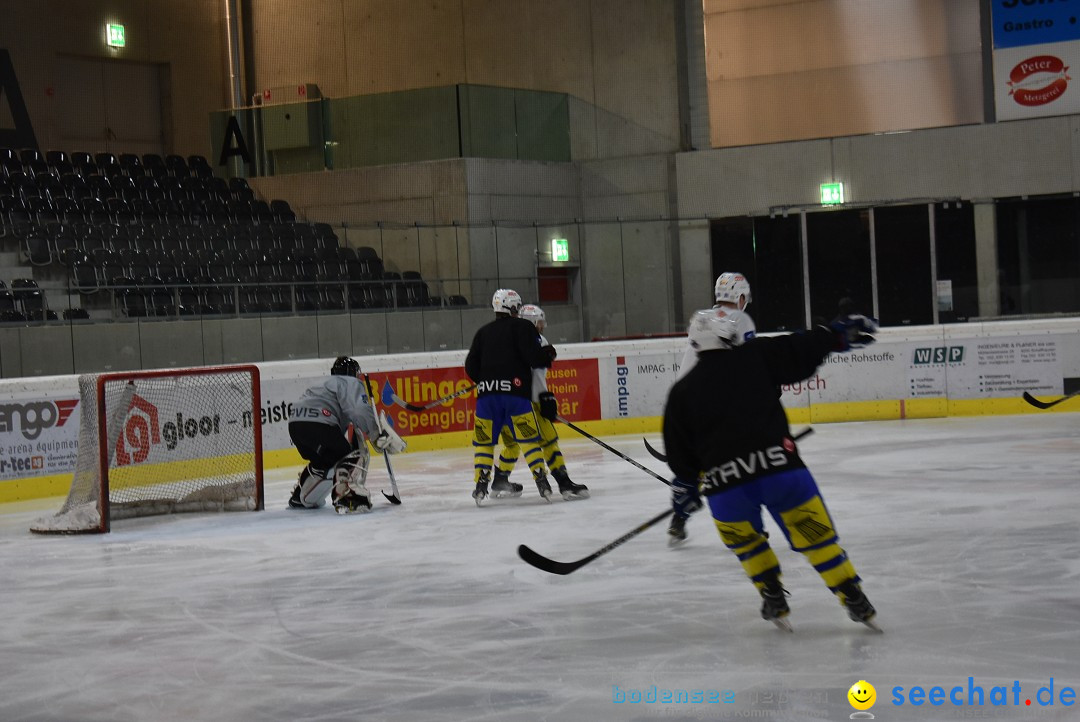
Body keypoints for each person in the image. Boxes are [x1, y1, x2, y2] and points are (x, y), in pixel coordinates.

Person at [662, 308, 879, 630]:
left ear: (694, 345)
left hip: (727, 489)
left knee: (747, 544)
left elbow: (681, 459)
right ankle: (852, 594)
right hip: (783, 472)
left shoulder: (681, 393)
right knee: (817, 539)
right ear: (730, 337)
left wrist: (686, 490)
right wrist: (834, 335)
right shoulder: (754, 356)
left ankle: (773, 596)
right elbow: (799, 348)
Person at [669, 272, 756, 544]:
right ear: (740, 297)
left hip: (688, 403)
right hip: (722, 407)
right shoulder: (739, 321)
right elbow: (752, 363)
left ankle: (679, 518)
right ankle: (750, 526)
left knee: (691, 470)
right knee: (743, 466)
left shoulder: (702, 318)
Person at [465, 289, 557, 504]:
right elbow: (534, 357)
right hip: (515, 396)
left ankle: (480, 486)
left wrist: (487, 382)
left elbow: (470, 366)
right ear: (514, 307)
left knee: (484, 444)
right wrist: (548, 353)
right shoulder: (523, 326)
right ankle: (542, 482)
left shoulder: (483, 332)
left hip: (486, 398)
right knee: (529, 440)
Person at [491, 304, 589, 500]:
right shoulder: (534, 340)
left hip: (502, 403)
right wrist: (544, 397)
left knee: (512, 444)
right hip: (528, 403)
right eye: (540, 322)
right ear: (533, 322)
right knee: (548, 442)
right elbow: (536, 374)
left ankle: (500, 480)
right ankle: (564, 483)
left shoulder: (505, 340)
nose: (543, 326)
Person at [287, 356, 406, 513]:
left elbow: (347, 421)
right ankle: (346, 496)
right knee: (351, 456)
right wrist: (376, 434)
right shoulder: (350, 382)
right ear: (353, 373)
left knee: (325, 461)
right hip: (319, 424)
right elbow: (358, 410)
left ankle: (300, 496)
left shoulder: (325, 385)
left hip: (296, 426)